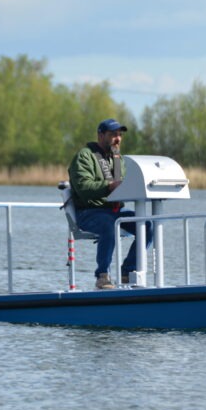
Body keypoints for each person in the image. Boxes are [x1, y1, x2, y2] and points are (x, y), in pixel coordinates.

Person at [67, 118, 153, 289]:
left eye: (120, 135)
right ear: (100, 135)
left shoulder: (117, 159)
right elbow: (83, 187)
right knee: (109, 224)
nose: (118, 139)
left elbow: (122, 186)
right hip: (89, 212)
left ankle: (127, 272)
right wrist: (109, 186)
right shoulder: (84, 156)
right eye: (113, 134)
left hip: (114, 212)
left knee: (147, 225)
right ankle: (102, 276)